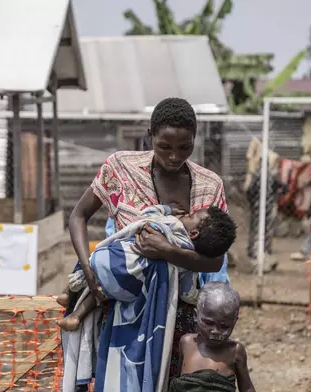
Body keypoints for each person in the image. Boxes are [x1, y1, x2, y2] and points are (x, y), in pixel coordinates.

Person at [66, 97, 231, 389]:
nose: (173, 156)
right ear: (150, 136)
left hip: (180, 316)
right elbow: (78, 216)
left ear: (195, 139)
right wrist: (91, 276)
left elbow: (215, 260)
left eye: (185, 147)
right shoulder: (120, 168)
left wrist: (168, 251)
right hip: (121, 306)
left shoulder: (210, 185)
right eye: (164, 146)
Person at [57, 205, 236, 331]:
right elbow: (187, 292)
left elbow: (147, 213)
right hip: (128, 289)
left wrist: (167, 209)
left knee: (94, 266)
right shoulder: (187, 259)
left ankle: (67, 293)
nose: (186, 215)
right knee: (104, 290)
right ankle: (76, 317)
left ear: (194, 233)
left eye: (190, 216)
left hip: (112, 260)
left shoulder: (171, 224)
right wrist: (197, 297)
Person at [170, 282, 256, 392]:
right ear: (196, 316)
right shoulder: (186, 342)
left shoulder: (235, 351)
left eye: (225, 326)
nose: (216, 331)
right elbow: (178, 382)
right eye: (209, 323)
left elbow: (247, 388)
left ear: (234, 322)